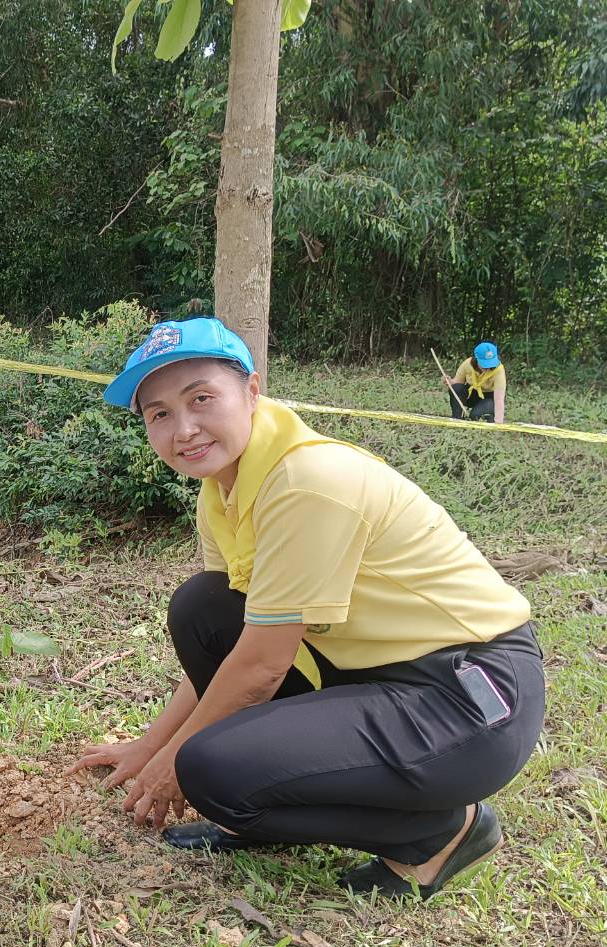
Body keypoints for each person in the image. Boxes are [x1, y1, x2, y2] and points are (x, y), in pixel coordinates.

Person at [71, 317, 545, 899]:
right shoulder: (223, 488)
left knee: (209, 771)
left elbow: (262, 667)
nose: (185, 429)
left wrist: (174, 762)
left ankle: (440, 831)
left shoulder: (304, 482)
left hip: (469, 697)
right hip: (376, 677)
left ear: (251, 392)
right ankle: (265, 797)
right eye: (160, 414)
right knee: (204, 608)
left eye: (201, 399)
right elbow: (237, 649)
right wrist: (151, 745)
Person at [444, 341, 506, 424]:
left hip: (488, 398)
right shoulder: (467, 364)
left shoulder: (499, 370)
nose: (488, 368)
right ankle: (457, 418)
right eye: (485, 364)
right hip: (472, 394)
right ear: (476, 360)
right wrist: (449, 382)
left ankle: (488, 415)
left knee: (475, 417)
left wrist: (499, 422)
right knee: (456, 388)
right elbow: (456, 384)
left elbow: (499, 398)